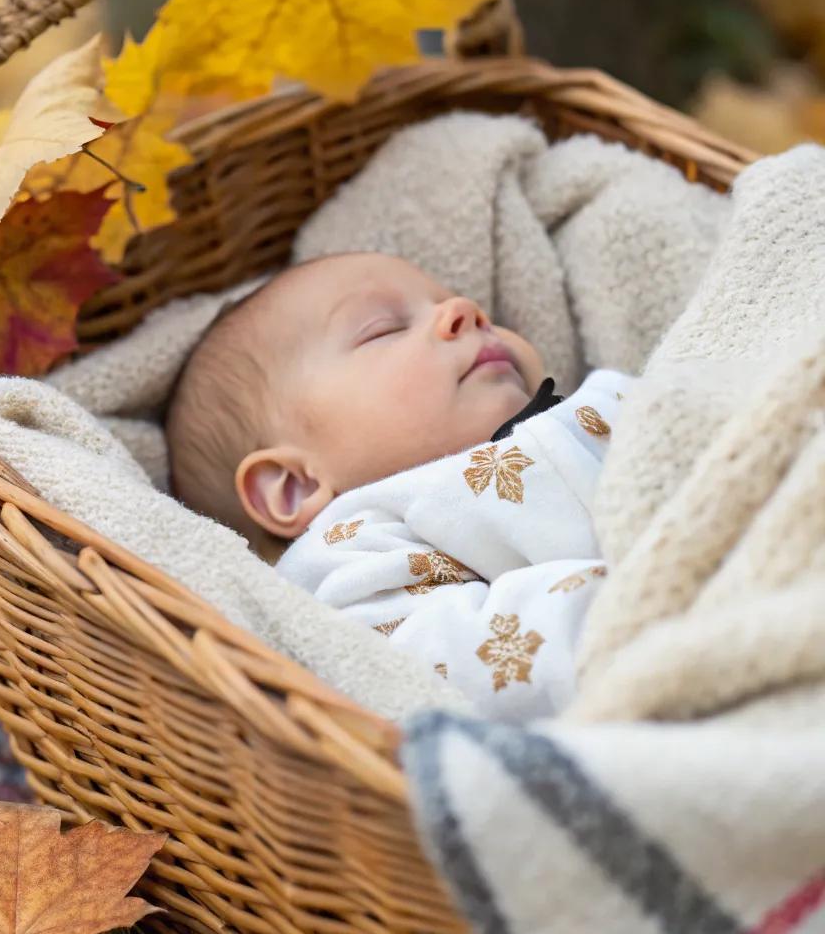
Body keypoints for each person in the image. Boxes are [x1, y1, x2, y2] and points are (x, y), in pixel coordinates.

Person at [167, 252, 630, 718]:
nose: (466, 310)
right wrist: (641, 597)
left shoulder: (592, 401)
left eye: (449, 299)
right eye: (384, 328)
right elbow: (453, 663)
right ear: (295, 487)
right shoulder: (354, 549)